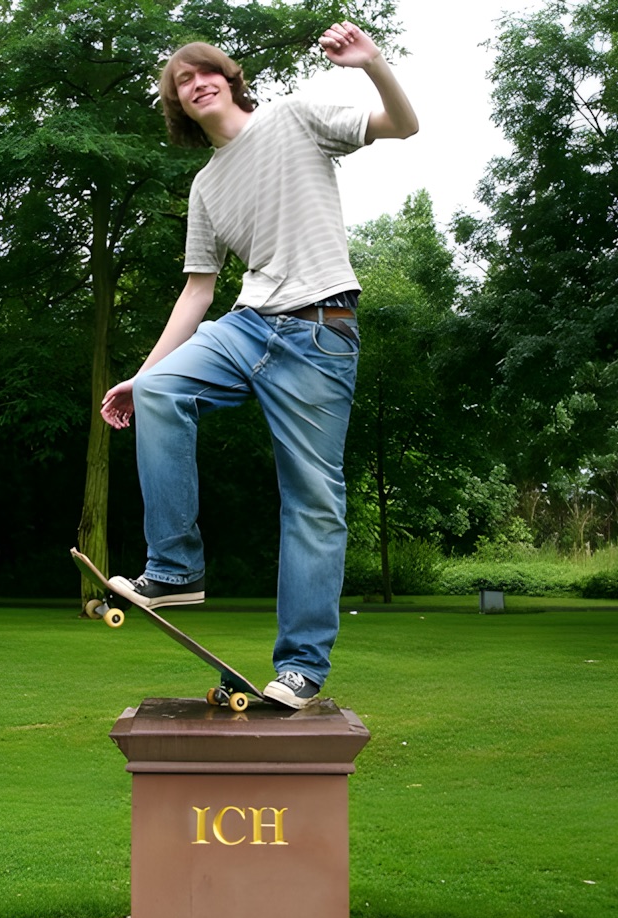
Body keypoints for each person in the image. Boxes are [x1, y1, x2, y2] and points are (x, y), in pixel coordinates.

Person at [99, 23, 418, 708]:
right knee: (159, 391)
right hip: (247, 325)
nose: (196, 83)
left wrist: (372, 64)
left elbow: (404, 125)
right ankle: (176, 568)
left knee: (312, 501)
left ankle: (301, 666)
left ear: (230, 78)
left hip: (320, 329)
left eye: (204, 71)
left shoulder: (295, 118)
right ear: (178, 106)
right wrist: (141, 373)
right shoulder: (205, 188)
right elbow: (198, 291)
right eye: (182, 83)